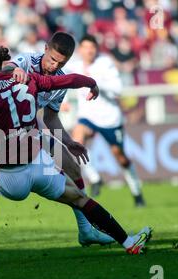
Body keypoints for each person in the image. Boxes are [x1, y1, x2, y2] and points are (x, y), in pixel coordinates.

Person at [0, 43, 152, 265]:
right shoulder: (30, 79)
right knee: (78, 198)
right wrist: (91, 82)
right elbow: (66, 80)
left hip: (12, 178)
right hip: (39, 168)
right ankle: (128, 241)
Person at [0, 32, 115, 266]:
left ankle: (86, 230)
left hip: (28, 131)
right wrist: (11, 70)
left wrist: (67, 142)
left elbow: (50, 117)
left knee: (73, 168)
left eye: (61, 63)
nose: (54, 65)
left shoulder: (60, 81)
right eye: (52, 59)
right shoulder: (27, 61)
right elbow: (5, 68)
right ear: (46, 47)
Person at [68, 34, 146, 206]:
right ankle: (95, 179)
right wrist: (64, 101)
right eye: (86, 47)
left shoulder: (105, 64)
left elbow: (118, 90)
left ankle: (136, 191)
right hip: (87, 116)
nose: (89, 51)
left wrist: (93, 83)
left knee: (121, 158)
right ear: (80, 49)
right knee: (76, 141)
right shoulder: (74, 66)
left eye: (92, 47)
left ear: (96, 49)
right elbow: (60, 81)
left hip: (109, 118)